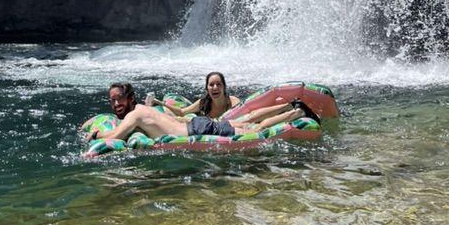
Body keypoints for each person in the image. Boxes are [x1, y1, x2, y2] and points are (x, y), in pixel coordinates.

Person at [102, 84, 320, 143]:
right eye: (112, 100)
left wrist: (95, 135)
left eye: (119, 98)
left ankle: (297, 112)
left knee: (257, 129)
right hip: (198, 124)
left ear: (130, 98)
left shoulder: (133, 115)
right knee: (250, 124)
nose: (116, 103)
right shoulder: (144, 109)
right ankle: (292, 108)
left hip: (198, 129)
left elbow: (114, 136)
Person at [144, 71, 242, 126]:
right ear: (207, 89)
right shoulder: (204, 102)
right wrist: (158, 102)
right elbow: (182, 112)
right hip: (199, 118)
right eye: (211, 85)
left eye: (218, 84)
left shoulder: (233, 102)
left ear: (224, 87)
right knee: (177, 117)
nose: (215, 87)